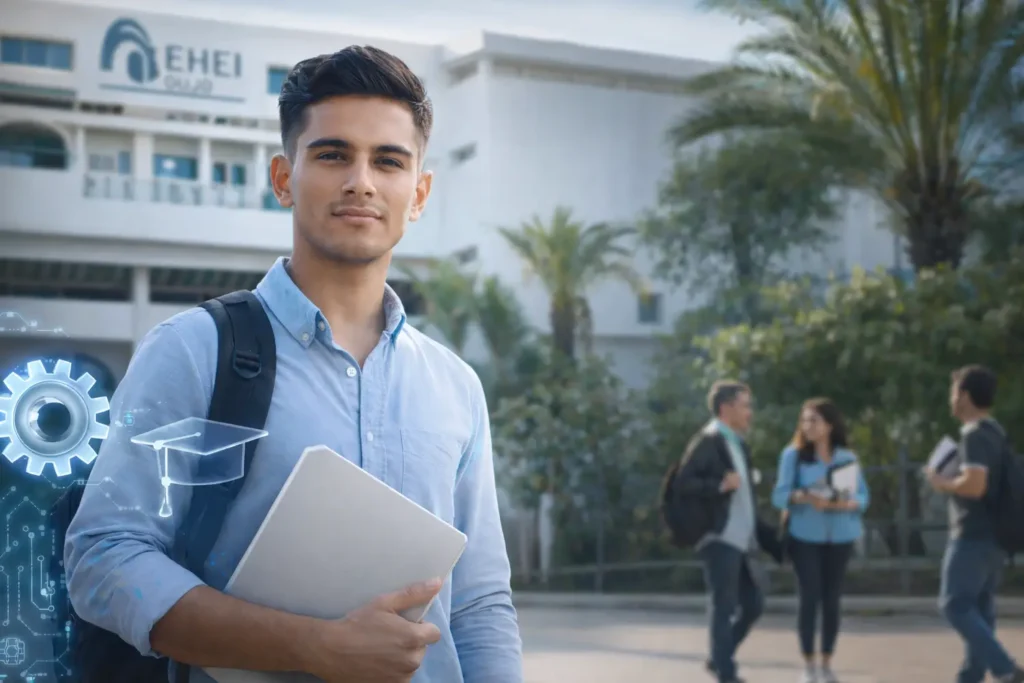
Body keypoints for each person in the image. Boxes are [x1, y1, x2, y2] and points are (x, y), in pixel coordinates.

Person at [64, 46, 523, 683]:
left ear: (417, 193)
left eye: (388, 161)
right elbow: (105, 557)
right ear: (284, 177)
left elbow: (478, 603)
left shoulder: (455, 387)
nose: (361, 181)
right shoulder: (193, 350)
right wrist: (309, 647)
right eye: (333, 154)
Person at [674, 380, 782, 683]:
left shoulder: (737, 444)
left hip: (741, 538)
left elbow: (745, 498)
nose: (750, 412)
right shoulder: (709, 440)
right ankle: (726, 673)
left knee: (754, 604)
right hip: (719, 537)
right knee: (724, 605)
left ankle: (719, 657)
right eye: (745, 405)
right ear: (726, 408)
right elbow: (684, 483)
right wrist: (720, 485)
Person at [926, 365, 1023, 683]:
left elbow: (975, 485)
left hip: (973, 533)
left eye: (953, 392)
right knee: (980, 610)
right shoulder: (996, 432)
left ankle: (1005, 668)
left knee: (953, 603)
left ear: (964, 396)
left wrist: (943, 482)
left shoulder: (975, 434)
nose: (951, 399)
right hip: (996, 535)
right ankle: (971, 676)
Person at [771, 398, 870, 683]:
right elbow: (779, 495)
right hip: (805, 536)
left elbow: (864, 496)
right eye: (804, 420)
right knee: (809, 596)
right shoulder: (793, 455)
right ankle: (808, 665)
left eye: (814, 420)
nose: (807, 426)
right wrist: (803, 496)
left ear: (829, 424)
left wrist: (846, 504)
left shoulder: (847, 458)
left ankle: (827, 663)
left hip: (841, 536)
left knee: (832, 599)